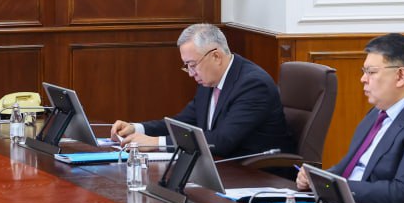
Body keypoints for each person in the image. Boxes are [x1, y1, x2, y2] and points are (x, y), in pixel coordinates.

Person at [296, 33, 404, 203]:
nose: (363, 79)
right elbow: (347, 166)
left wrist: (335, 186)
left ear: (400, 76)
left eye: (371, 72)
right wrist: (317, 178)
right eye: (364, 71)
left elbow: (401, 193)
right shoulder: (378, 112)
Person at [109, 24, 294, 158]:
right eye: (187, 66)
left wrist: (156, 143)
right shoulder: (209, 81)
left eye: (192, 65)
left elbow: (222, 141)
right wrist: (137, 128)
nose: (191, 73)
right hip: (221, 167)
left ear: (216, 56)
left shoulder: (253, 85)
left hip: (256, 175)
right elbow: (182, 124)